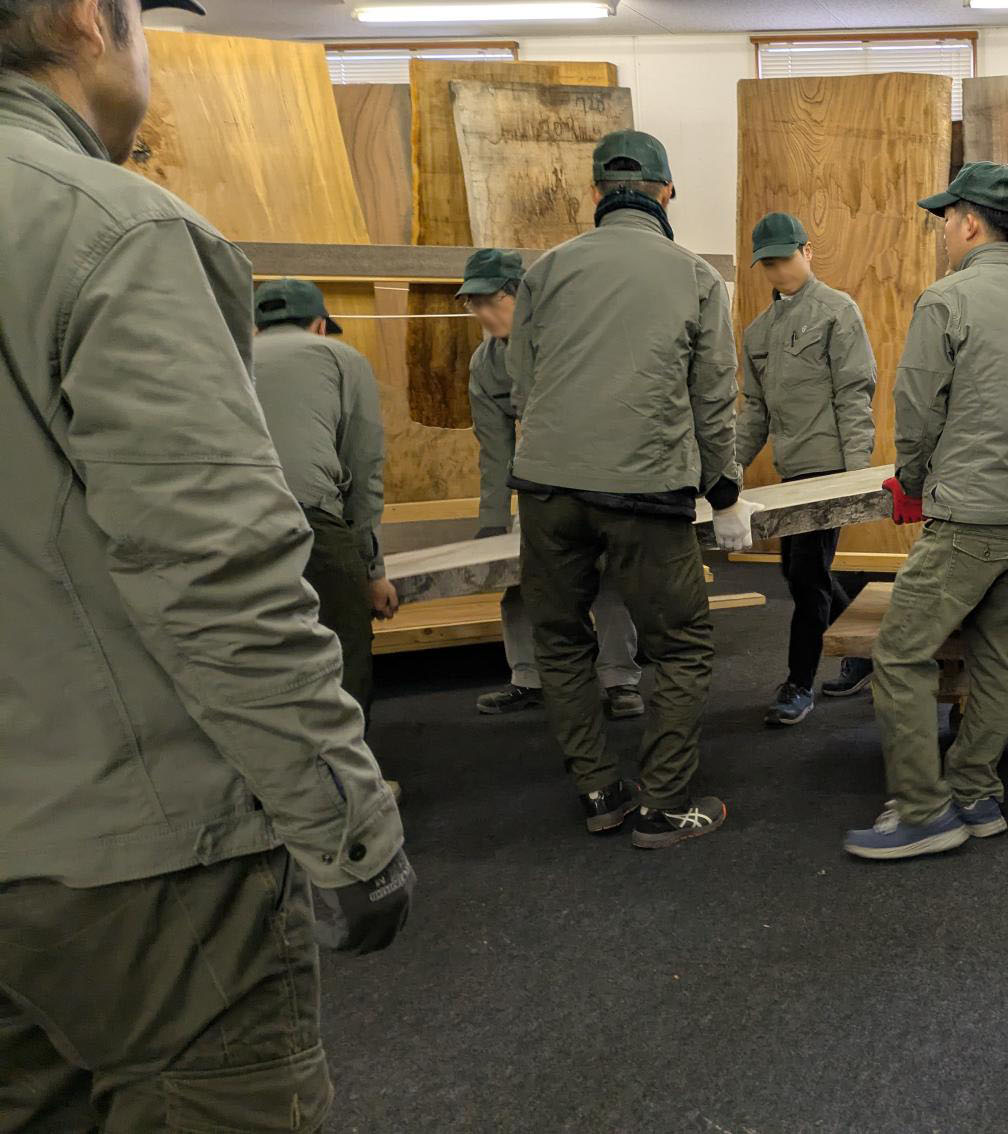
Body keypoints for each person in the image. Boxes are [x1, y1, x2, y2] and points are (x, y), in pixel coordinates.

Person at [0, 1, 413, 1127]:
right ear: (87, 22)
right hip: (137, 866)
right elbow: (215, 569)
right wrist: (348, 825)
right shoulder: (109, 229)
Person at [507, 128, 752, 848]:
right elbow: (714, 399)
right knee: (680, 644)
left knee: (559, 640)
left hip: (547, 487)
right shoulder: (696, 277)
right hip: (646, 490)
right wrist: (725, 492)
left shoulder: (546, 271)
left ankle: (598, 791)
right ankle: (663, 802)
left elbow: (522, 386)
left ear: (594, 193)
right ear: (667, 191)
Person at [843, 161, 1008, 860]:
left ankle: (923, 811)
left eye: (946, 220)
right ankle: (975, 791)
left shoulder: (947, 299)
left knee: (900, 653)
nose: (943, 232)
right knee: (997, 657)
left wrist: (912, 482)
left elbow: (917, 410)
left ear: (970, 222)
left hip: (969, 515)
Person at [460, 247, 644, 720]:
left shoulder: (569, 341)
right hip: (539, 485)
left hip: (598, 475)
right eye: (474, 304)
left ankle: (619, 680)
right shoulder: (486, 364)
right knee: (519, 580)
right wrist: (492, 520)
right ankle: (527, 677)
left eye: (491, 301)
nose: (482, 313)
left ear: (520, 295)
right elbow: (495, 449)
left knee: (607, 579)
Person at [735, 210, 878, 725]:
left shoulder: (838, 312)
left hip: (830, 472)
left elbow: (854, 394)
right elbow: (755, 412)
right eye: (769, 264)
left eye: (785, 259)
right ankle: (865, 651)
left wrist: (857, 479)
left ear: (807, 252)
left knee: (806, 574)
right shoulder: (758, 333)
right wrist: (727, 470)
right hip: (791, 474)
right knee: (797, 572)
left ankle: (799, 684)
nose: (779, 271)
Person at [249, 277, 397, 715]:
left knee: (259, 654)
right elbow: (364, 468)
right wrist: (374, 574)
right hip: (310, 520)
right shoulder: (341, 357)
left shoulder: (228, 357)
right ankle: (343, 756)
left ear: (257, 326)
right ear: (318, 325)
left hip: (230, 521)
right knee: (345, 644)